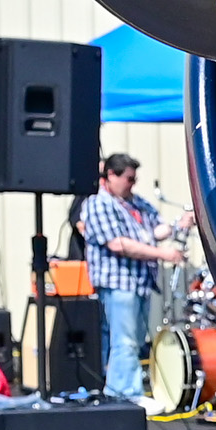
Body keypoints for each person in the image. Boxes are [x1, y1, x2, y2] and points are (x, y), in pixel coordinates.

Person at [75, 152, 188, 408]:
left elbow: (155, 230)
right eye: (128, 179)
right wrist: (163, 254)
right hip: (118, 283)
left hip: (139, 283)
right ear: (111, 176)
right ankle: (125, 393)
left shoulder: (136, 203)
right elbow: (119, 244)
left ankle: (120, 391)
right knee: (123, 340)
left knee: (133, 340)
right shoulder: (98, 203)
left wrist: (179, 225)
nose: (132, 184)